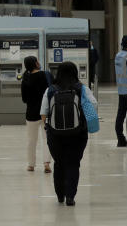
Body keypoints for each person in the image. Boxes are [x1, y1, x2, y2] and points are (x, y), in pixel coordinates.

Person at [41, 61, 96, 206]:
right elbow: (93, 105)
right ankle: (70, 197)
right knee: (73, 163)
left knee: (59, 163)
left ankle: (60, 196)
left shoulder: (50, 90)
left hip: (55, 134)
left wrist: (49, 128)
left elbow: (43, 113)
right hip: (78, 134)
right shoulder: (82, 88)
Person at [20, 55, 52, 173]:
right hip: (45, 112)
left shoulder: (25, 79)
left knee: (31, 140)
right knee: (47, 138)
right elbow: (51, 91)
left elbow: (24, 99)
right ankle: (46, 163)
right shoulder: (46, 75)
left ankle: (31, 165)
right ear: (35, 63)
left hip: (31, 113)